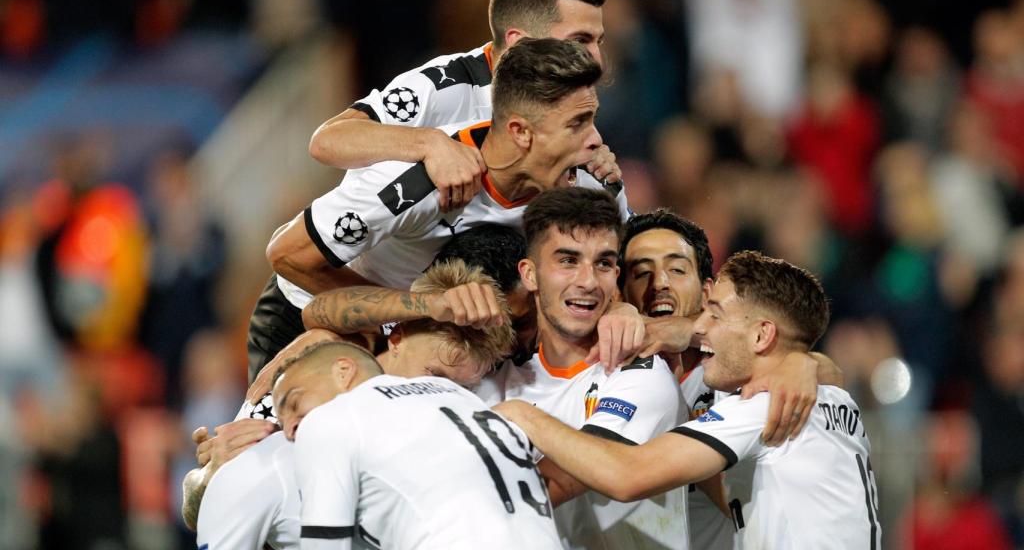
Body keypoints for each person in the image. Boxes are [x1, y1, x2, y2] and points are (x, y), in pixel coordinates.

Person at [252, 37, 628, 381]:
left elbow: (631, 260)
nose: (596, 140)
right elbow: (288, 256)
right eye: (577, 124)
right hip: (321, 317)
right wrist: (408, 315)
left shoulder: (589, 183)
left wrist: (621, 309)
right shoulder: (415, 183)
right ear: (520, 132)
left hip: (452, 337)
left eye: (592, 119)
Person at [496, 251, 882, 549]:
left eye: (715, 314)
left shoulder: (762, 408)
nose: (699, 326)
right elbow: (729, 490)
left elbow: (627, 475)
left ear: (762, 335)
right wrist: (803, 362)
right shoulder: (831, 398)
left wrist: (524, 416)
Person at [185, 260, 516, 539]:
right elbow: (200, 511)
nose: (441, 394)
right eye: (434, 375)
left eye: (459, 387)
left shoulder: (455, 426)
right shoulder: (312, 382)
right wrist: (210, 476)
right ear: (397, 337)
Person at [474, 187, 689, 549]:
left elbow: (556, 484)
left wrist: (521, 416)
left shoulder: (641, 374)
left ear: (615, 274)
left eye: (603, 263)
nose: (588, 282)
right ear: (529, 274)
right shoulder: (493, 382)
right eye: (568, 261)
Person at [310, 0, 609, 211]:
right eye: (579, 40)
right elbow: (327, 141)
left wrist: (592, 169)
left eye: (599, 42)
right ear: (519, 40)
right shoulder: (441, 85)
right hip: (381, 259)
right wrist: (430, 143)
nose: (598, 60)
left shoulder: (567, 101)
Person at [277, 340, 563, 549]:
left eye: (294, 402)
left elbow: (325, 545)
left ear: (343, 371)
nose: (289, 430)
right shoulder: (456, 395)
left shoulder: (329, 419)